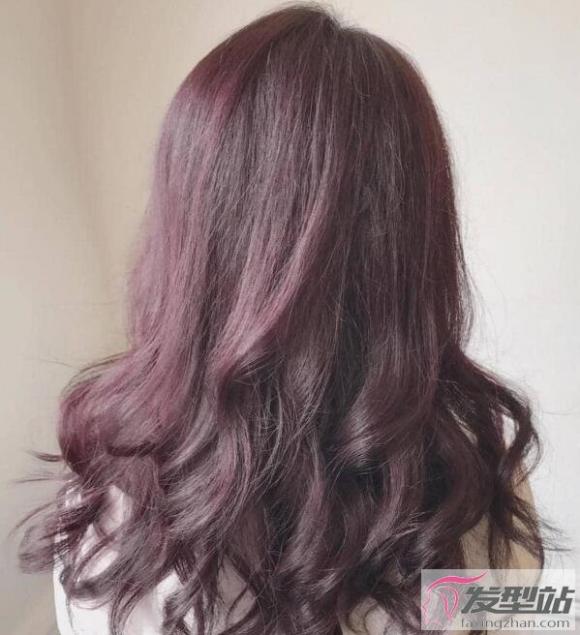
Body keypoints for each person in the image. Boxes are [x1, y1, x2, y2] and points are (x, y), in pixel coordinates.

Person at [18, 3, 550, 634]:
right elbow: (509, 610)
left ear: (186, 228)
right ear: (417, 239)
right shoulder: (473, 487)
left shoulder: (111, 521)